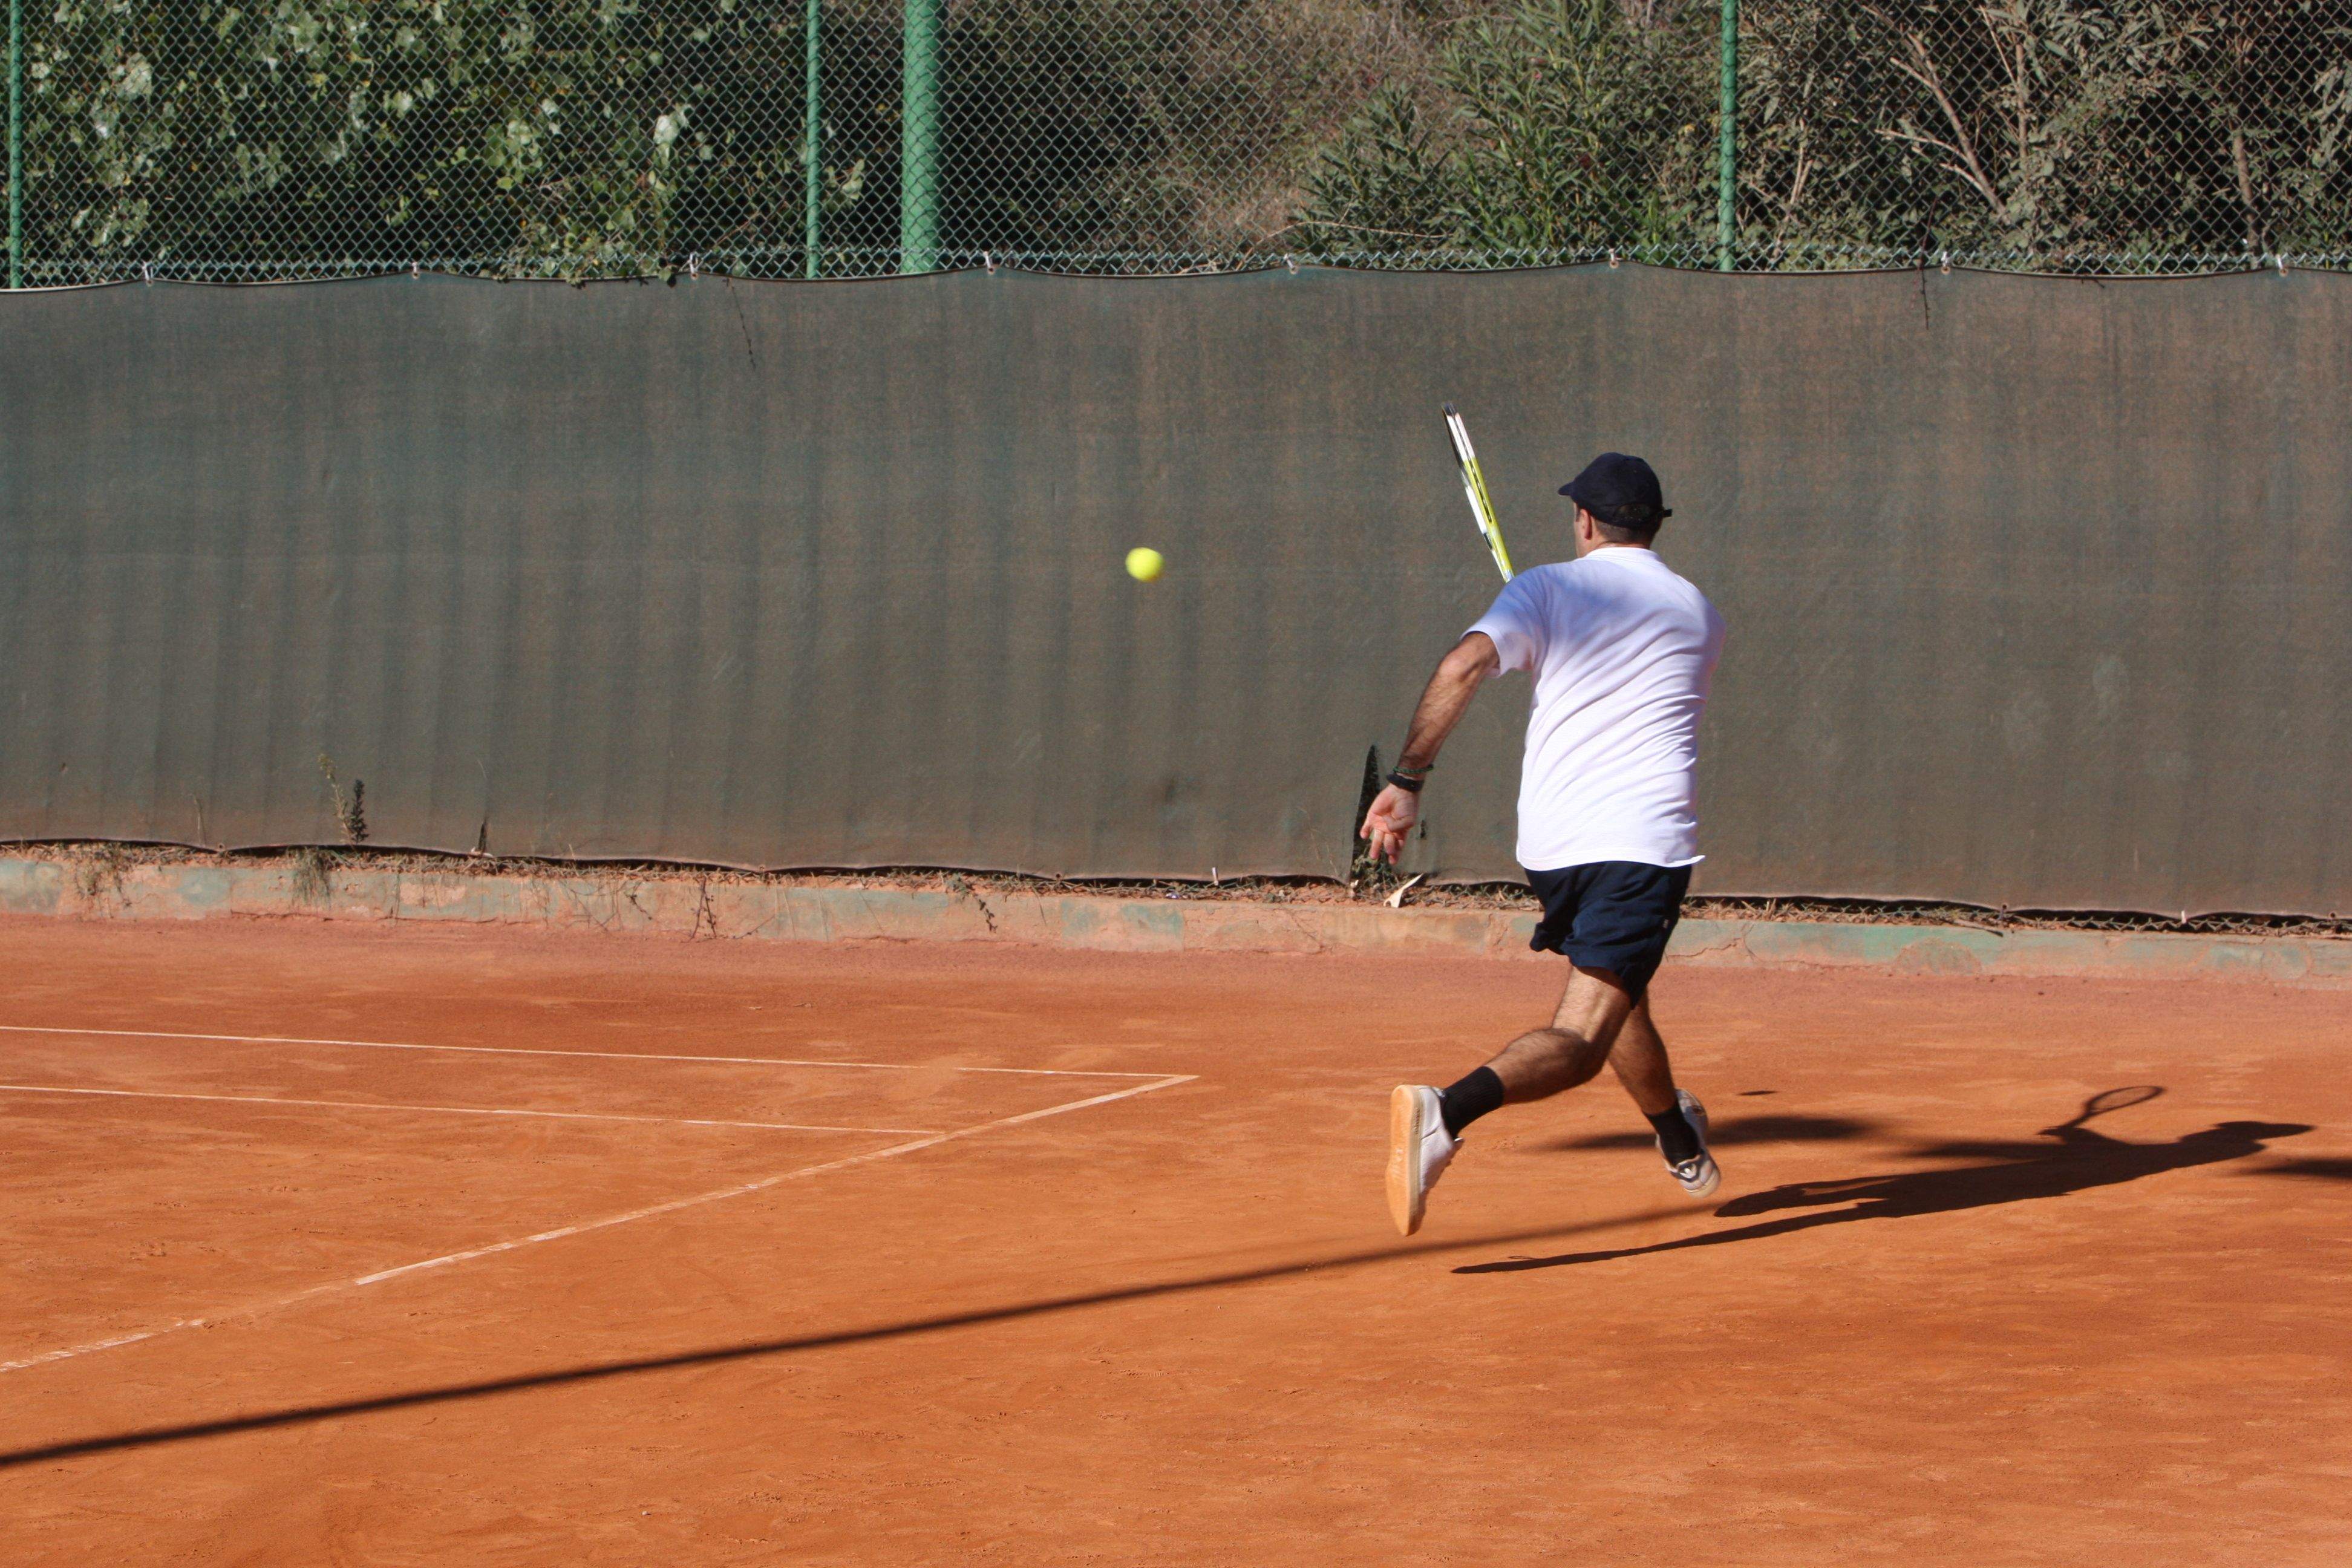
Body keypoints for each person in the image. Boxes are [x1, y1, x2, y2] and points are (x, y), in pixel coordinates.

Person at [1362, 452, 1727, 1236]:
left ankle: (1674, 1131)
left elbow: (1465, 666)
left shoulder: (1545, 589)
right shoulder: (1697, 611)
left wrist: (1407, 780)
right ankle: (1447, 1111)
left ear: (1585, 521)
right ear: (1656, 527)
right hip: (1640, 847)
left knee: (1619, 993)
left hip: (1555, 848)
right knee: (1583, 1035)